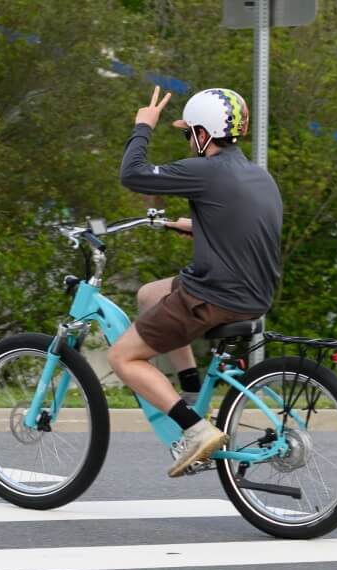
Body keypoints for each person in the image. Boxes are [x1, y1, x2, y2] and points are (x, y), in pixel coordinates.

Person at [110, 84, 283, 477]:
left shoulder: (205, 170)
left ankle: (195, 430)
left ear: (203, 135)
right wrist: (199, 227)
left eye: (188, 133)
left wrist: (144, 125)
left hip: (214, 296)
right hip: (255, 295)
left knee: (123, 357)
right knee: (150, 294)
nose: (188, 141)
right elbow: (247, 226)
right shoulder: (259, 175)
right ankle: (191, 390)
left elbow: (132, 174)